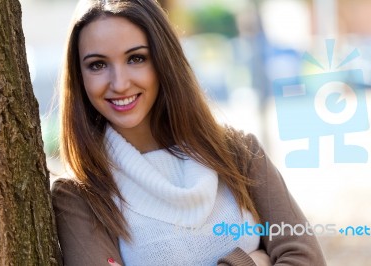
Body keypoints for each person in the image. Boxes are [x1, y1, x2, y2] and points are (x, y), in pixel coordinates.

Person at [51, 0, 326, 265]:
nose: (120, 83)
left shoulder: (239, 154)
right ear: (79, 76)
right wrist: (249, 262)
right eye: (97, 65)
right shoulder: (80, 196)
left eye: (136, 58)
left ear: (163, 61)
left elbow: (306, 259)